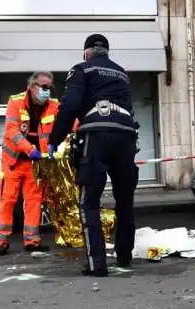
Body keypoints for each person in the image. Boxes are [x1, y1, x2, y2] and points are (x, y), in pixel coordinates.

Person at [48, 33, 140, 277]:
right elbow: (130, 108)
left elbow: (70, 106)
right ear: (106, 53)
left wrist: (54, 140)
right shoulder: (121, 73)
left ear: (87, 53)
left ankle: (96, 264)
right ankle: (124, 255)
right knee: (124, 200)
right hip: (126, 136)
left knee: (89, 201)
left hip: (96, 136)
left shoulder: (81, 69)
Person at [0, 71, 60, 256]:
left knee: (34, 201)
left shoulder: (53, 105)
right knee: (7, 200)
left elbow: (69, 123)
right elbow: (12, 132)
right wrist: (30, 149)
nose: (47, 91)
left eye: (50, 88)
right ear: (32, 86)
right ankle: (1, 241)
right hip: (14, 162)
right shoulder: (16, 102)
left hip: (35, 164)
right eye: (44, 87)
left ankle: (32, 241)